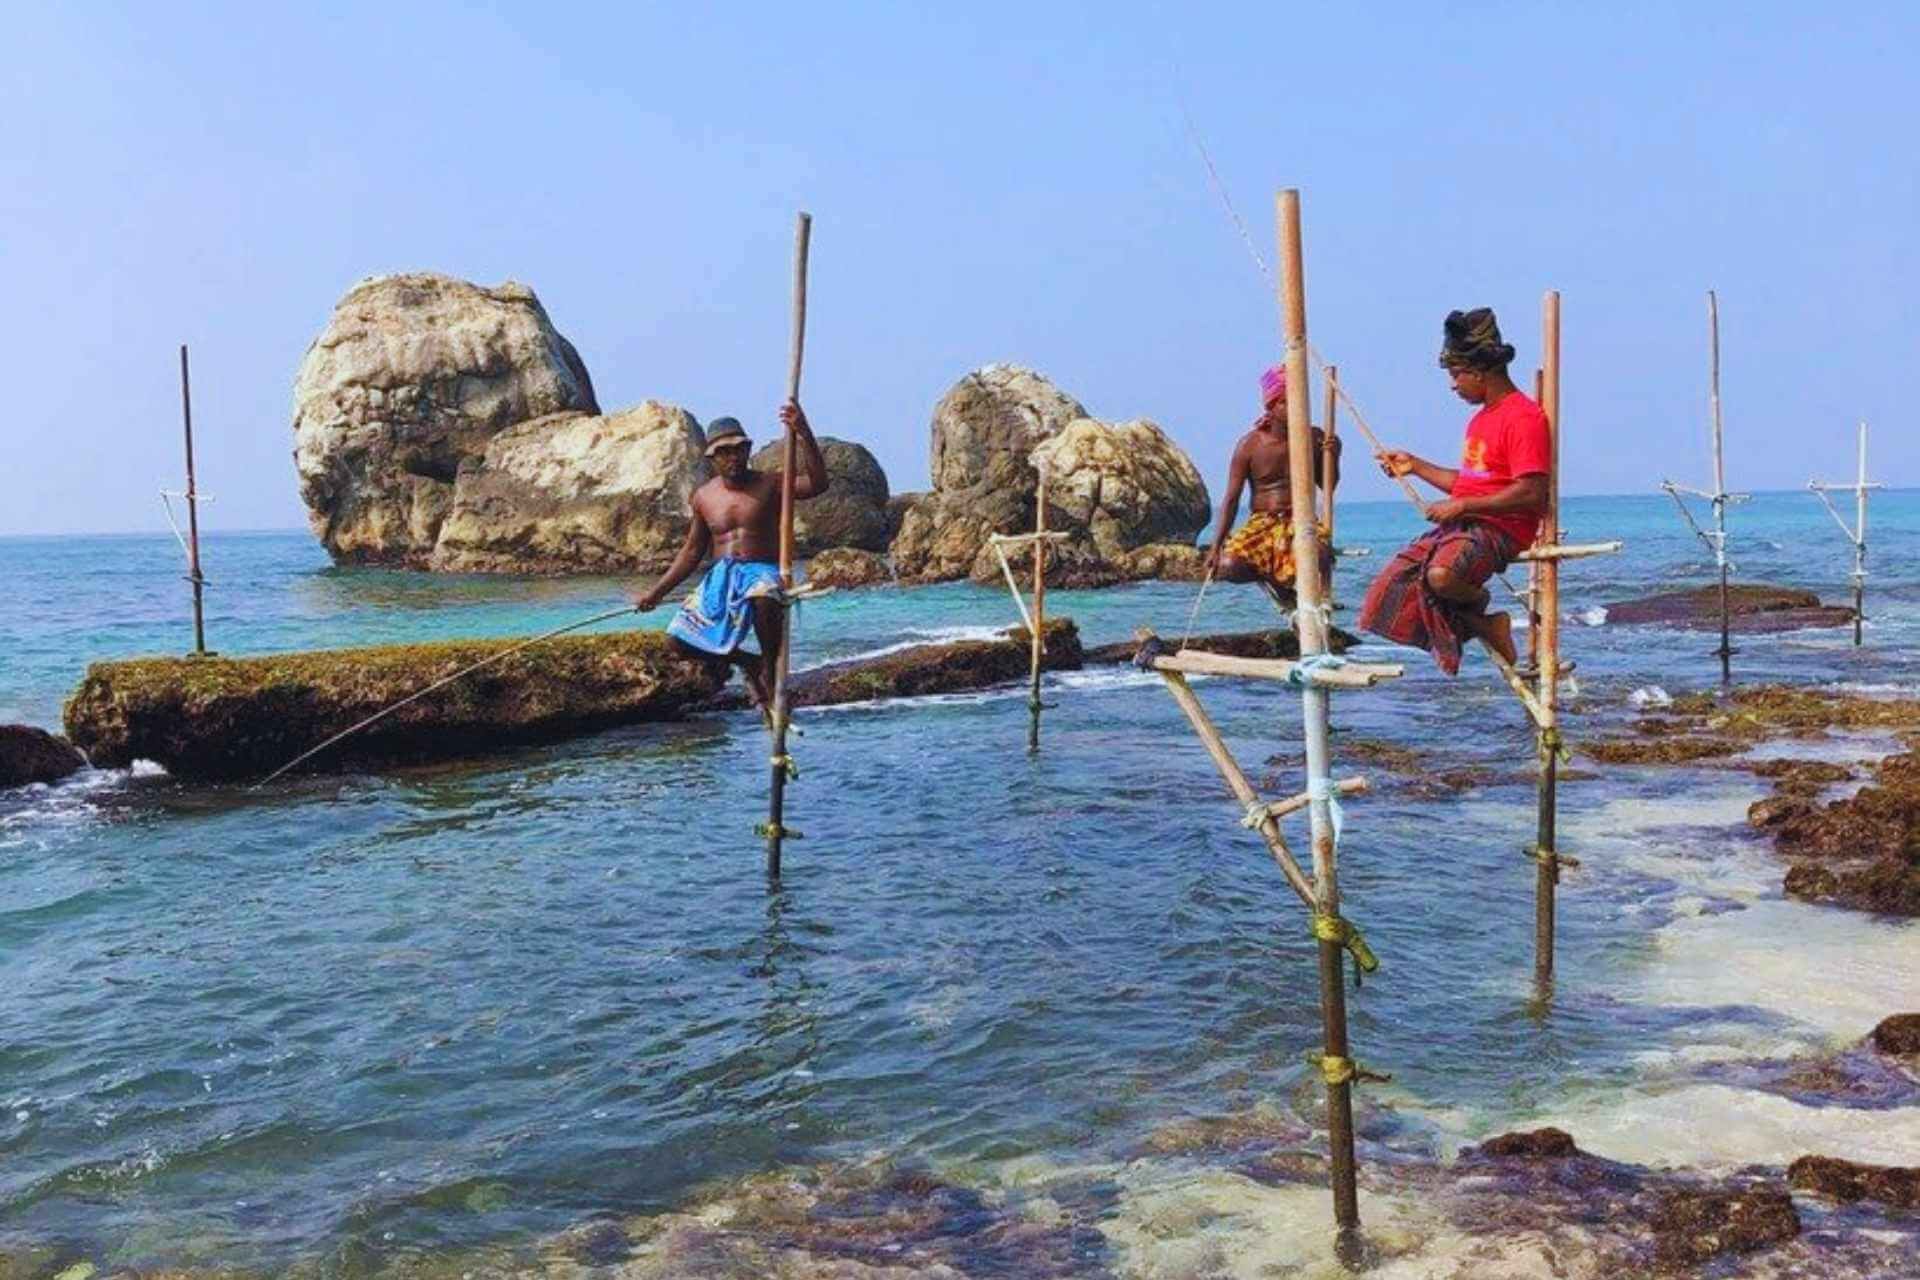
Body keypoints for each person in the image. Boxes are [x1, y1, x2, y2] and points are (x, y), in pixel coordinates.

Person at [1356, 308, 1550, 673]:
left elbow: (1532, 494)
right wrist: (1414, 466)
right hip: (1466, 523)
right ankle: (1486, 624)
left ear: (1478, 372)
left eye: (1456, 374)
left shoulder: (1524, 417)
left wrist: (1461, 507)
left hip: (1501, 529)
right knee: (1387, 592)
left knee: (1441, 577)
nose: (1453, 385)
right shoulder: (1480, 419)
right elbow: (1469, 483)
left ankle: (1480, 608)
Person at [632, 402, 830, 707]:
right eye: (724, 452)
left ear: (748, 450)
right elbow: (692, 551)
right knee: (676, 640)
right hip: (722, 576)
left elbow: (818, 484)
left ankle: (770, 668)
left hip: (761, 569)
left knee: (764, 597)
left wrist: (803, 431)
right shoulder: (703, 496)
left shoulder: (770, 483)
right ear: (712, 458)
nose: (733, 457)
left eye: (738, 449)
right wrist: (656, 593)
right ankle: (749, 662)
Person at [1202, 363, 1340, 602]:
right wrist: (1216, 545)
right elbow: (1232, 499)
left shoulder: (1315, 437)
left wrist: (1334, 457)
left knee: (1321, 556)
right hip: (1262, 522)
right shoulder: (1250, 445)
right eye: (1285, 402)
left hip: (1300, 519)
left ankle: (1307, 596)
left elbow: (1328, 487)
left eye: (1298, 401)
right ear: (1271, 406)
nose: (1294, 408)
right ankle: (1277, 584)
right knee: (1226, 567)